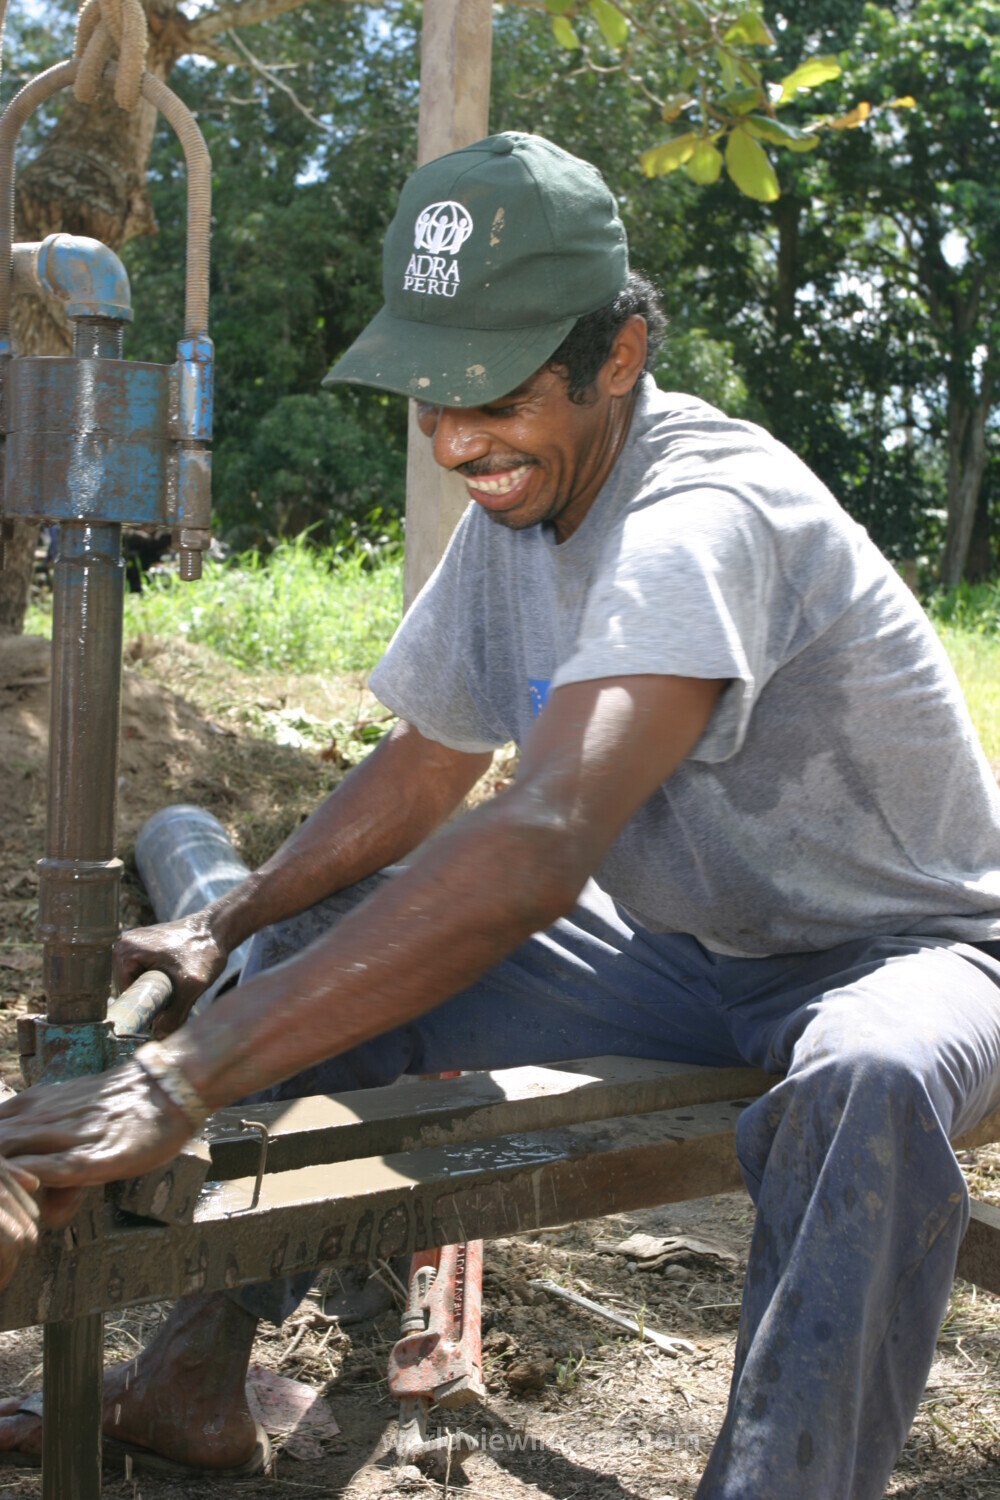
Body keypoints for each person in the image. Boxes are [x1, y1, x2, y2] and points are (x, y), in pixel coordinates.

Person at [0, 131, 999, 1497]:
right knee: (322, 950)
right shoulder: (518, 514)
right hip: (684, 950)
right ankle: (189, 1375)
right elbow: (425, 767)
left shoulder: (702, 517)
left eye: (502, 396)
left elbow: (535, 844)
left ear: (622, 356)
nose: (458, 439)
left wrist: (179, 1079)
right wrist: (223, 923)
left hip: (908, 954)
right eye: (431, 399)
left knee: (866, 1087)